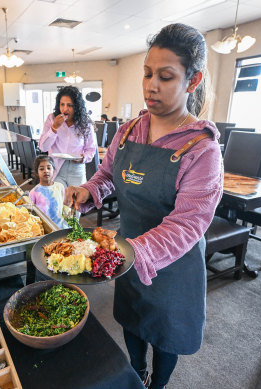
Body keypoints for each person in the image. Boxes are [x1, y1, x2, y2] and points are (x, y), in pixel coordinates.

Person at [65, 23, 223, 389]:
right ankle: (137, 373)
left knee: (166, 336)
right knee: (132, 320)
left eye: (166, 77)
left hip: (173, 264)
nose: (151, 85)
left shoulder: (201, 150)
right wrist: (89, 191)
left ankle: (158, 383)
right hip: (126, 251)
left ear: (193, 80)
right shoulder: (129, 130)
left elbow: (187, 225)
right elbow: (106, 175)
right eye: (148, 73)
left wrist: (133, 250)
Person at [39, 86, 97, 193]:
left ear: (77, 107)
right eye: (62, 104)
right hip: (56, 168)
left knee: (76, 204)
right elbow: (43, 147)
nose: (65, 109)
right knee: (58, 203)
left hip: (76, 168)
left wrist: (83, 158)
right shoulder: (52, 119)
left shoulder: (85, 123)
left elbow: (91, 149)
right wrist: (54, 128)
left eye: (69, 105)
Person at [29, 155, 69, 229]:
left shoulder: (60, 187)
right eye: (41, 169)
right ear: (37, 173)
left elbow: (65, 206)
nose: (46, 171)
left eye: (49, 168)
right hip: (44, 229)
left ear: (53, 170)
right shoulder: (34, 193)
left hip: (60, 227)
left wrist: (69, 220)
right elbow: (31, 215)